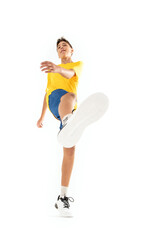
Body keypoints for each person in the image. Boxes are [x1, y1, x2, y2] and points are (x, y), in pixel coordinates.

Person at [37, 37, 83, 217]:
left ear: (72, 50)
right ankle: (67, 123)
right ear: (57, 53)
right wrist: (41, 116)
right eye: (59, 47)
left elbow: (70, 74)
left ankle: (62, 197)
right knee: (69, 96)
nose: (61, 48)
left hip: (67, 109)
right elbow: (47, 93)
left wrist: (58, 69)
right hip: (57, 101)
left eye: (65, 46)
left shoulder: (77, 65)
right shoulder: (52, 71)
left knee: (70, 149)